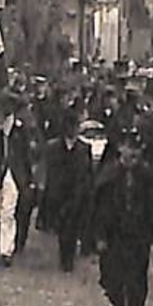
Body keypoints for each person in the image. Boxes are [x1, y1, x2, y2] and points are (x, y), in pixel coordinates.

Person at [91, 137, 153, 306]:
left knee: (137, 281)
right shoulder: (109, 177)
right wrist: (100, 236)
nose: (131, 156)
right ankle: (116, 305)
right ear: (120, 150)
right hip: (114, 238)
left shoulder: (148, 177)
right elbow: (98, 210)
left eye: (135, 153)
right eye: (127, 151)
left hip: (137, 238)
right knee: (112, 279)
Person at [41, 110, 99, 273]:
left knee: (73, 227)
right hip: (59, 193)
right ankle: (64, 256)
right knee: (62, 226)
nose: (73, 130)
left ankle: (69, 259)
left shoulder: (84, 148)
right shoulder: (53, 147)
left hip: (77, 193)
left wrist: (87, 191)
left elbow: (87, 173)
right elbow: (51, 171)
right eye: (70, 126)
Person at [0, 97, 35, 268]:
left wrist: (28, 179)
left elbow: (26, 156)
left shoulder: (20, 131)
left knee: (8, 212)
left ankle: (6, 250)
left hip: (13, 173)